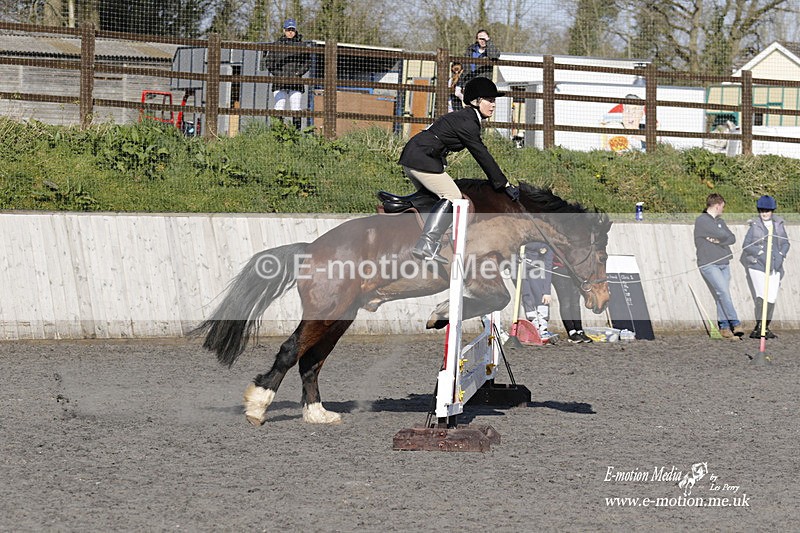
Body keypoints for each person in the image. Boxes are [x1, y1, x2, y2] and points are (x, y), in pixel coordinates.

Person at [398, 77, 519, 264]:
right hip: (421, 159)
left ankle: (422, 239)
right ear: (475, 101)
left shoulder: (466, 117)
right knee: (453, 196)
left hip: (416, 157)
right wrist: (503, 183)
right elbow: (481, 154)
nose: (493, 105)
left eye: (494, 100)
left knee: (432, 199)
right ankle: (427, 243)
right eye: (489, 100)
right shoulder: (468, 122)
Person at [694, 193, 744, 339]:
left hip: (724, 262)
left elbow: (731, 238)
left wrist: (718, 240)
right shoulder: (702, 220)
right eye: (722, 207)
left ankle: (724, 326)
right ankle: (735, 322)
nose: (723, 209)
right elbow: (720, 233)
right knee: (723, 292)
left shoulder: (720, 221)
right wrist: (721, 236)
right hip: (709, 264)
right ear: (717, 205)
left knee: (722, 295)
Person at [741, 195, 790, 339]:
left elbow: (786, 243)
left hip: (775, 265)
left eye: (767, 211)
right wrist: (760, 252)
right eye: (762, 210)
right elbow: (746, 245)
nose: (764, 213)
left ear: (772, 211)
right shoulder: (755, 226)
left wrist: (781, 254)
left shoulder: (779, 225)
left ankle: (764, 326)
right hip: (758, 265)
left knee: (772, 297)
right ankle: (760, 326)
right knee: (762, 295)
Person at [265, 19, 311, 130]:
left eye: (292, 30)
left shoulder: (302, 45)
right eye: (288, 29)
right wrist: (278, 74)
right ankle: (278, 133)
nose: (290, 32)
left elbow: (307, 62)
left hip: (296, 82)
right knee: (279, 107)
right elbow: (269, 62)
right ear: (284, 30)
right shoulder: (276, 45)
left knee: (296, 108)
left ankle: (295, 134)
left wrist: (298, 73)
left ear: (295, 30)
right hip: (279, 81)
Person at [551, 255, 593, 343]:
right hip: (559, 269)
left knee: (575, 303)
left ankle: (579, 330)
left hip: (574, 270)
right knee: (565, 302)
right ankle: (571, 331)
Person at [519, 242, 554, 339]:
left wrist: (547, 291)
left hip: (538, 273)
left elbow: (548, 269)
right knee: (527, 298)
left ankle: (543, 330)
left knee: (541, 298)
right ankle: (534, 329)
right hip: (522, 269)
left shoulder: (547, 250)